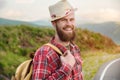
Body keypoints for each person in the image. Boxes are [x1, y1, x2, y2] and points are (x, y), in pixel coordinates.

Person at [32, 0, 83, 80]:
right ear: (54, 23)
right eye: (63, 20)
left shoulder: (75, 48)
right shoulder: (44, 53)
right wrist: (66, 68)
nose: (69, 24)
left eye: (71, 19)